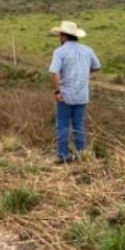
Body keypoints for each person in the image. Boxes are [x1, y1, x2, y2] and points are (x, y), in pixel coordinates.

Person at [48, 21, 101, 164]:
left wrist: (57, 91)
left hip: (65, 94)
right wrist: (84, 71)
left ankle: (63, 155)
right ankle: (81, 153)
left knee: (63, 124)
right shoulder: (88, 50)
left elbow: (54, 72)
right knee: (78, 125)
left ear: (63, 36)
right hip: (82, 94)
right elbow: (97, 66)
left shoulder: (60, 51)